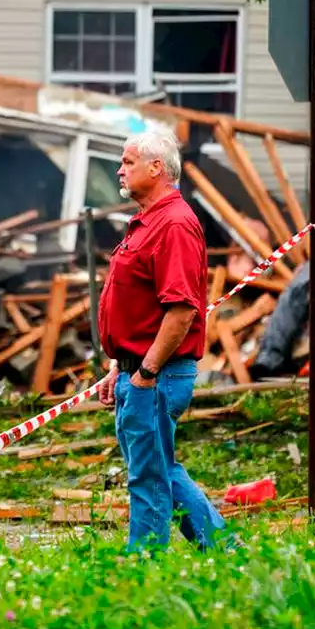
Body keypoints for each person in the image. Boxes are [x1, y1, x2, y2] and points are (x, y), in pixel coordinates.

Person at [97, 127, 229, 553]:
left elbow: (182, 310)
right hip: (137, 370)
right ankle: (224, 550)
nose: (119, 170)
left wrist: (146, 371)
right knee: (160, 468)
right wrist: (119, 365)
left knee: (148, 477)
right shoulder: (148, 221)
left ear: (157, 168)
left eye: (128, 162)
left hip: (157, 376)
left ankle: (146, 567)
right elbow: (143, 307)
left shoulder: (173, 224)